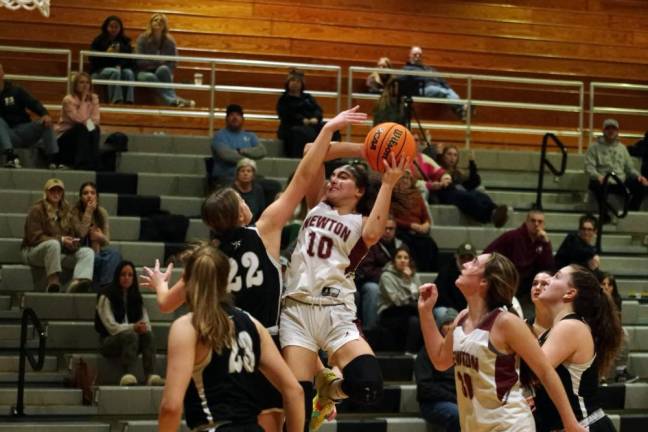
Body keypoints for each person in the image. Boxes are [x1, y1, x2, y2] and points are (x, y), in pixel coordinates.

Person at [144, 106, 369, 432]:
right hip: (268, 340)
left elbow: (166, 304)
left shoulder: (207, 259)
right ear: (238, 214)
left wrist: (160, 283)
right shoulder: (264, 229)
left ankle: (323, 382)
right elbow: (305, 175)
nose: (247, 201)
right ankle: (323, 388)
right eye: (241, 200)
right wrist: (328, 129)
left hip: (226, 348)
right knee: (285, 407)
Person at [280, 144, 409, 430]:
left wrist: (388, 181)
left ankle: (329, 392)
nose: (333, 179)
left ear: (359, 191)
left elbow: (375, 232)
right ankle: (320, 390)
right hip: (296, 312)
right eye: (333, 174)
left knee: (368, 385)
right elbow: (313, 149)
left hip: (336, 312)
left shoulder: (361, 223)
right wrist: (368, 150)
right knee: (295, 415)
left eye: (343, 177)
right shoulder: (316, 203)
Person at [417, 253, 587, 432]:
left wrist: (570, 423)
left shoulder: (506, 322)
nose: (466, 264)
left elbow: (545, 372)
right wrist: (425, 312)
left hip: (509, 425)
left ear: (484, 282)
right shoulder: (461, 318)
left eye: (474, 262)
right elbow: (440, 360)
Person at [533, 265, 623, 431]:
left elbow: (535, 371)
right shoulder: (559, 327)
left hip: (584, 425)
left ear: (570, 293)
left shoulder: (570, 327)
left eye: (557, 276)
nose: (547, 280)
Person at [95, 261, 163, 387]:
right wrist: (133, 327)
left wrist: (143, 328)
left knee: (148, 335)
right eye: (123, 275)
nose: (127, 278)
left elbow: (146, 321)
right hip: (108, 341)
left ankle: (150, 375)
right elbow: (111, 327)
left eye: (130, 275)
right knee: (130, 335)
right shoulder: (106, 295)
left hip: (133, 341)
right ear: (117, 276)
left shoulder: (136, 296)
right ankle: (126, 374)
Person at [21, 178, 94, 293]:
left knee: (87, 252)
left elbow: (77, 233)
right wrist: (61, 240)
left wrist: (71, 243)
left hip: (57, 253)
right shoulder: (37, 210)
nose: (56, 193)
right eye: (52, 191)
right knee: (53, 244)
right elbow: (34, 237)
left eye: (59, 191)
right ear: (46, 193)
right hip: (33, 252)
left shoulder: (67, 211)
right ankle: (53, 283)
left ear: (62, 194)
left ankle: (78, 284)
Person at [484, 208, 554, 313]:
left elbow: (548, 267)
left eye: (540, 221)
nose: (536, 224)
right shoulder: (512, 236)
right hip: (509, 286)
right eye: (533, 220)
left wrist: (546, 243)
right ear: (526, 222)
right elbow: (488, 254)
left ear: (543, 224)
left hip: (528, 289)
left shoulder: (542, 242)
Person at [585, 118, 648, 218]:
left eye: (613, 129)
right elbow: (589, 167)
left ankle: (630, 212)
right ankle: (604, 215)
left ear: (617, 131)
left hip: (620, 181)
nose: (611, 131)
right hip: (604, 181)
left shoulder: (622, 148)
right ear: (603, 131)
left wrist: (639, 177)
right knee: (594, 184)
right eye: (608, 128)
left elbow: (629, 168)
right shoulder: (594, 147)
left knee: (641, 185)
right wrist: (597, 176)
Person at [0, 63, 57, 168]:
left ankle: (53, 159)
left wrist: (44, 114)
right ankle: (10, 156)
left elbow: (33, 103)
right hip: (5, 135)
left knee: (46, 121)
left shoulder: (16, 90)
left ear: (3, 73)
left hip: (24, 130)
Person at [435, 145, 509, 227]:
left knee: (481, 196)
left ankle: (496, 211)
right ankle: (490, 217)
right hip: (448, 193)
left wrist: (472, 162)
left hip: (460, 191)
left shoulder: (458, 173)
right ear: (443, 156)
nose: (452, 157)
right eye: (449, 154)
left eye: (455, 155)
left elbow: (474, 182)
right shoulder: (438, 169)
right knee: (470, 198)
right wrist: (438, 155)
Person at [354, 215, 403, 330]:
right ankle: (370, 330)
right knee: (372, 289)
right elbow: (367, 270)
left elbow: (409, 266)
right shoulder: (371, 243)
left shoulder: (401, 245)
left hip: (395, 282)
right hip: (370, 282)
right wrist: (388, 274)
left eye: (391, 229)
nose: (388, 231)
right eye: (385, 228)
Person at [415, 307, 460, 432]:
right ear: (439, 328)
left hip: (460, 401)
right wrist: (455, 398)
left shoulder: (464, 351)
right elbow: (425, 388)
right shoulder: (426, 352)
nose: (451, 327)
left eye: (454, 323)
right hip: (434, 403)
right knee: (457, 414)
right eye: (447, 323)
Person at [136, 13, 194, 107]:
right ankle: (174, 100)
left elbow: (173, 61)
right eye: (155, 20)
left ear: (165, 25)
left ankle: (173, 100)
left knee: (164, 69)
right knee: (150, 77)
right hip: (143, 72)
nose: (158, 22)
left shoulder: (169, 41)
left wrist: (170, 72)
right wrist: (157, 62)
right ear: (150, 23)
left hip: (161, 70)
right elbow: (139, 61)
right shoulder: (142, 39)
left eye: (161, 21)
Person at [71, 182, 122, 290]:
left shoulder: (102, 212)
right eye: (85, 193)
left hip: (96, 250)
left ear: (96, 196)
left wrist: (100, 237)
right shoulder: (74, 212)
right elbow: (81, 234)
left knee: (115, 255)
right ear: (80, 197)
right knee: (94, 257)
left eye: (92, 193)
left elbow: (107, 240)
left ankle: (106, 287)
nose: (89, 195)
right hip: (80, 250)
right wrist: (88, 212)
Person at [377, 245, 422, 353]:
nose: (403, 260)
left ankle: (413, 352)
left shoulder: (413, 276)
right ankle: (409, 352)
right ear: (393, 261)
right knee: (414, 318)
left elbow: (419, 297)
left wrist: (410, 280)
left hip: (409, 311)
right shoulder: (386, 276)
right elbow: (397, 301)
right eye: (399, 257)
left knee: (417, 319)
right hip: (389, 312)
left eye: (406, 258)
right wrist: (408, 282)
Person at [390, 170, 438, 272]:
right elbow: (391, 218)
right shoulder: (392, 195)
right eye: (403, 178)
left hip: (418, 231)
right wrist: (410, 225)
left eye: (408, 178)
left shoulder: (417, 195)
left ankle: (428, 272)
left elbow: (426, 216)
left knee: (430, 244)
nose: (406, 181)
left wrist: (426, 224)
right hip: (402, 230)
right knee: (411, 244)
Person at [401, 46, 465, 120]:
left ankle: (461, 110)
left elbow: (442, 80)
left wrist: (448, 87)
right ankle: (462, 108)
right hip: (423, 89)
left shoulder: (429, 69)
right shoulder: (407, 69)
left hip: (438, 88)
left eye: (420, 55)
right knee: (444, 92)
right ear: (410, 55)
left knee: (449, 91)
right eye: (415, 54)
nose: (418, 56)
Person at [210, 103, 267, 184]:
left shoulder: (250, 136)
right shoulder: (219, 136)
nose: (235, 118)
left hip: (249, 177)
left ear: (243, 119)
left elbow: (262, 151)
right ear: (226, 119)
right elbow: (227, 155)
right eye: (232, 115)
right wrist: (249, 159)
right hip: (227, 176)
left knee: (273, 186)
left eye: (238, 115)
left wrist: (241, 151)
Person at [55, 72, 100, 170]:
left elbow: (96, 119)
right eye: (81, 82)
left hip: (84, 130)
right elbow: (78, 119)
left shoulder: (94, 98)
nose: (85, 86)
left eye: (87, 83)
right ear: (75, 85)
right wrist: (84, 99)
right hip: (66, 135)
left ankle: (93, 163)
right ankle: (80, 164)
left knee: (95, 129)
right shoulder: (68, 100)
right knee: (81, 128)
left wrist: (89, 125)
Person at [276, 68, 325, 158]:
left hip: (310, 124)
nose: (295, 83)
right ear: (288, 83)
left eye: (298, 81)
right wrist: (302, 120)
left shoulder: (308, 97)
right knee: (303, 132)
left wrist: (316, 118)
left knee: (329, 128)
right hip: (291, 127)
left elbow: (318, 110)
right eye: (293, 81)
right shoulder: (283, 99)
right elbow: (286, 115)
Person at [89, 15, 135, 104]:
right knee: (115, 72)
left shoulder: (125, 41)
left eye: (116, 27)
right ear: (106, 27)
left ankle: (129, 101)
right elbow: (92, 59)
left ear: (120, 28)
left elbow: (129, 60)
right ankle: (116, 101)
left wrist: (120, 65)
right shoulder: (99, 40)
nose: (113, 29)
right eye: (111, 26)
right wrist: (106, 54)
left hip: (119, 68)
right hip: (100, 70)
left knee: (129, 73)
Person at [433, 242, 476, 313]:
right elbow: (442, 296)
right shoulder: (446, 272)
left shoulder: (478, 274)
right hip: (448, 307)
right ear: (456, 257)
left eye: (469, 258)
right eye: (462, 257)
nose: (466, 261)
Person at [231, 158, 266, 223]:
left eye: (248, 171)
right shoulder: (231, 190)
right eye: (242, 171)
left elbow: (261, 212)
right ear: (237, 174)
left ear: (253, 175)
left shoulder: (258, 190)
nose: (245, 173)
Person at [527, 271, 553, 338]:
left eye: (544, 284)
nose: (537, 287)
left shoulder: (564, 325)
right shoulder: (523, 326)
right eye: (535, 284)